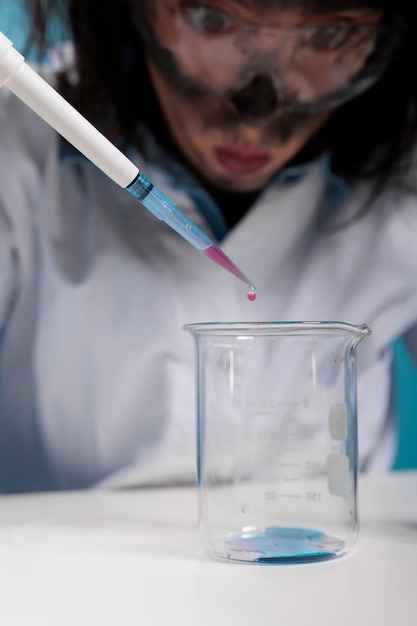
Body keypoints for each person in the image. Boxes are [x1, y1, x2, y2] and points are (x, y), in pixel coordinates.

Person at [0, 0, 416, 493]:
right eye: (214, 21)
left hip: (331, 568)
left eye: (328, 37)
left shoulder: (403, 171)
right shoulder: (18, 146)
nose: (256, 117)